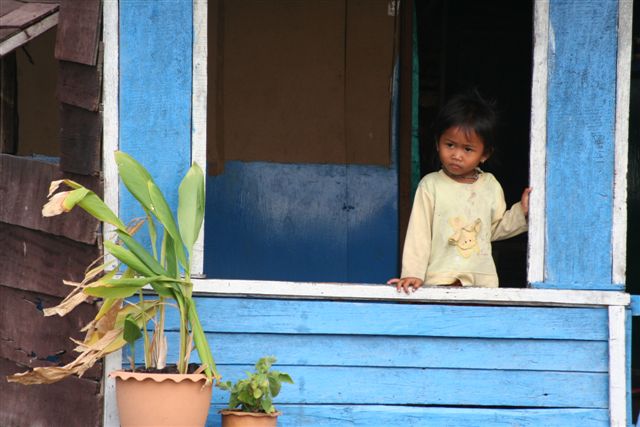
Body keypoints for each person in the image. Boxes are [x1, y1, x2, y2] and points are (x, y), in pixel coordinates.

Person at [388, 91, 531, 293]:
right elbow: (419, 234)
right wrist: (413, 273)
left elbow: (491, 230)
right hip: (438, 280)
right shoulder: (430, 185)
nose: (456, 155)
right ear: (438, 143)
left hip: (481, 284)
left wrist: (521, 211)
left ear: (485, 154)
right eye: (450, 145)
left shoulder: (490, 185)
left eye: (468, 149)